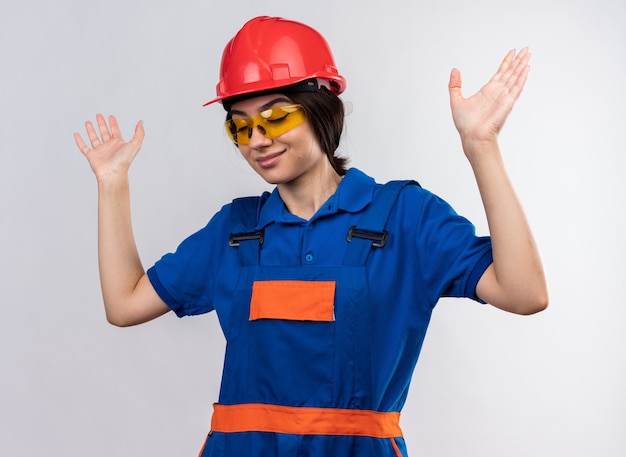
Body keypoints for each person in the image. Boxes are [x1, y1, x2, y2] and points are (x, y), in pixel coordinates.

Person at [74, 15, 547, 457]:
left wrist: (481, 146)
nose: (256, 139)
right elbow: (124, 304)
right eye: (240, 126)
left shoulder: (405, 217)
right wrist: (112, 185)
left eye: (276, 117)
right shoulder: (236, 231)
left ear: (322, 110)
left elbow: (524, 293)